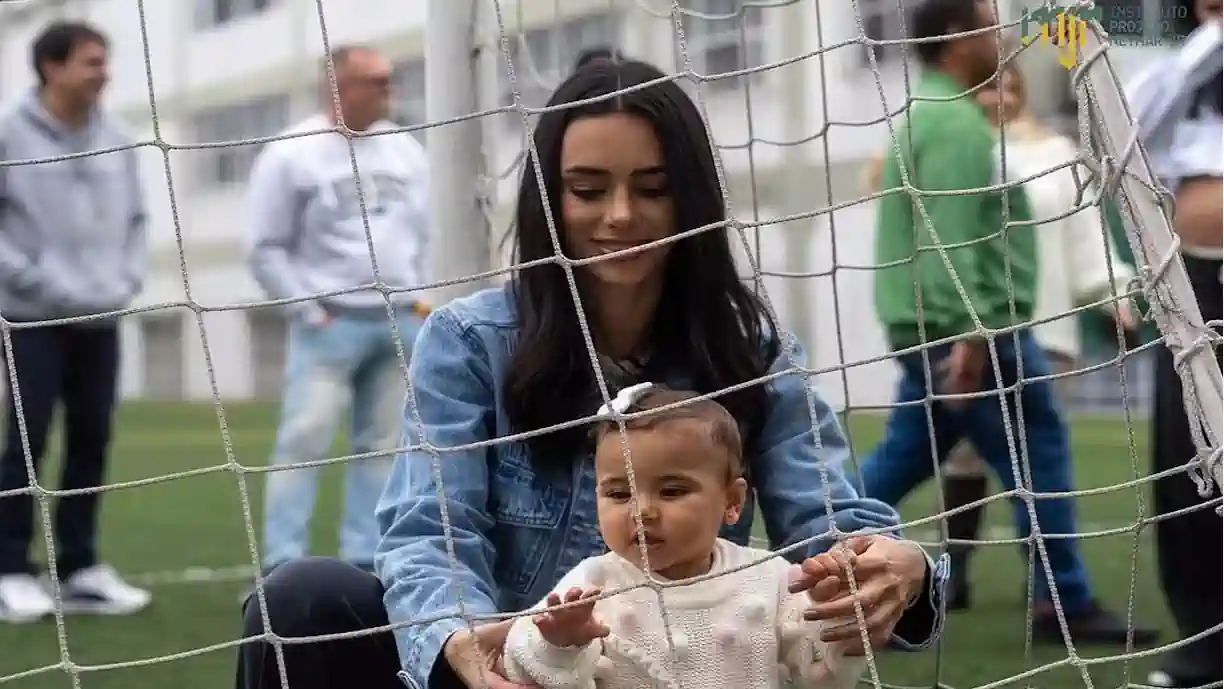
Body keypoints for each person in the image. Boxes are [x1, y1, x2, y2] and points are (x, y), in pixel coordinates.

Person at [235, 57, 947, 689]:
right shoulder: (467, 339)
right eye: (587, 189)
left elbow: (826, 520)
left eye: (652, 187)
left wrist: (900, 566)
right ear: (551, 200)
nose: (619, 215)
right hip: (508, 667)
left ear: (691, 197)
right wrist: (459, 644)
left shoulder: (749, 349)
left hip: (671, 667)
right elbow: (433, 531)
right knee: (303, 596)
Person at [858, 0, 1153, 646]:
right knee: (1039, 449)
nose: (1006, 36)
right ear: (958, 39)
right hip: (973, 333)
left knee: (906, 456)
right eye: (992, 24)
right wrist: (973, 337)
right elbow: (953, 245)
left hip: (944, 330)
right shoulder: (954, 127)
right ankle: (1063, 601)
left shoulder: (936, 117)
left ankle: (809, 540)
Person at [901, 58, 1139, 611]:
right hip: (958, 331)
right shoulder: (950, 151)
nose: (999, 97)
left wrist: (1115, 296)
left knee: (1031, 461)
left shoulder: (1057, 156)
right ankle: (957, 572)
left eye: (1009, 86)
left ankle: (1050, 590)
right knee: (957, 457)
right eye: (986, 87)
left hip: (1043, 331)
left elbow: (1087, 239)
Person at [502, 384, 868, 689]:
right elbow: (520, 664)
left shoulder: (770, 578)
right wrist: (560, 643)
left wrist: (833, 614)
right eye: (618, 494)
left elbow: (824, 676)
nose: (641, 511)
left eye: (672, 491)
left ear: (732, 501)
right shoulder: (592, 584)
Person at [245, 45, 431, 582]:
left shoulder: (405, 150)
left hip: (399, 319)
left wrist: (420, 299)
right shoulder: (292, 153)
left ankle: (364, 558)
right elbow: (265, 246)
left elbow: (424, 233)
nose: (386, 91)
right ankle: (283, 562)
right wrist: (308, 309)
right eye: (373, 81)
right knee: (303, 442)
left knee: (382, 444)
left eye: (388, 80)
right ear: (336, 87)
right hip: (330, 323)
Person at [0, 21, 151, 623]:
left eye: (104, 60)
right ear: (51, 67)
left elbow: (137, 221)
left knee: (93, 438)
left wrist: (124, 281)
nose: (103, 72)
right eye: (91, 61)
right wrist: (45, 283)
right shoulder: (9, 135)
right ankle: (9, 568)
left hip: (101, 316)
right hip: (32, 318)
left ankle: (80, 567)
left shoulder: (117, 137)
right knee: (28, 441)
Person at [1125, 2, 1223, 685]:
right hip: (1194, 289)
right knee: (1187, 460)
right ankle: (1205, 642)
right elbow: (1129, 131)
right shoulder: (1178, 78)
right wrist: (1211, 43)